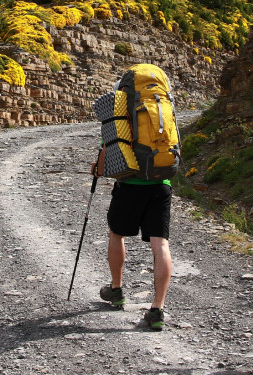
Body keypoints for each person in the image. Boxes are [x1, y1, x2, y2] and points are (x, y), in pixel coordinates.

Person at [91, 75, 174, 332]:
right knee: (160, 244)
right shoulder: (163, 107)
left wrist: (97, 169)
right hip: (162, 184)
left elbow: (108, 153)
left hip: (129, 185)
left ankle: (116, 291)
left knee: (117, 234)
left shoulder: (122, 114)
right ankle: (157, 308)